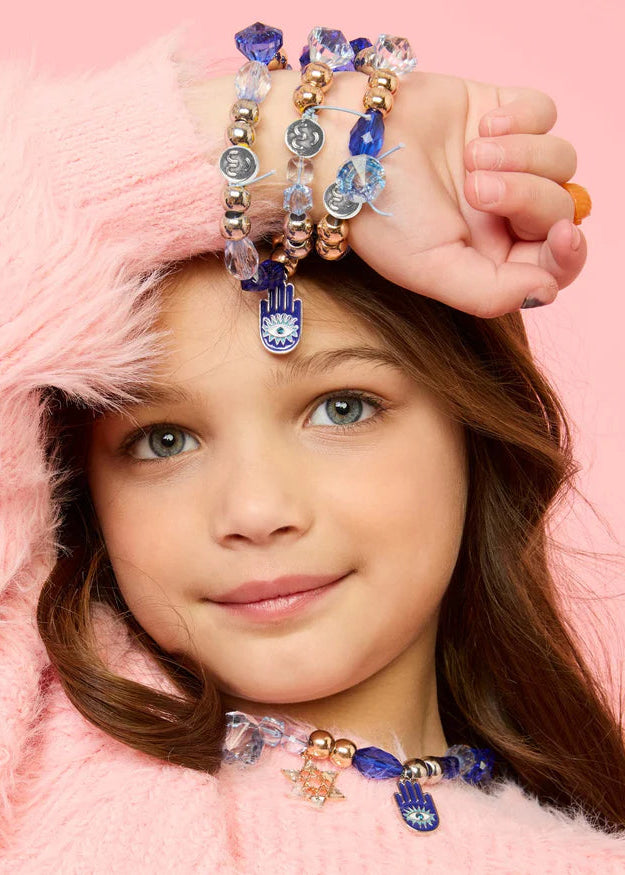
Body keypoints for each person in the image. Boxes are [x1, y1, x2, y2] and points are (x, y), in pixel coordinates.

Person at [0, 20, 623, 872]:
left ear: (473, 426)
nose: (257, 511)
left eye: (340, 408)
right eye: (163, 439)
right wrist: (314, 138)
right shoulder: (29, 746)